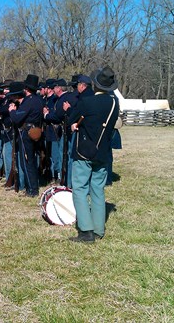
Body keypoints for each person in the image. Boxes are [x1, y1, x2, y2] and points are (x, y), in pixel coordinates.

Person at [67, 66, 120, 243]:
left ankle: (86, 231)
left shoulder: (87, 102)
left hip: (84, 151)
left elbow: (71, 119)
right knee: (98, 189)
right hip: (103, 153)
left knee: (80, 189)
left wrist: (75, 125)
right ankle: (98, 229)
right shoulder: (114, 103)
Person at [8, 74, 43, 196]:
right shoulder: (38, 100)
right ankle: (32, 187)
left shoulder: (29, 101)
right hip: (34, 131)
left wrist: (12, 111)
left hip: (27, 133)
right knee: (30, 161)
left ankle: (32, 190)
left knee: (27, 162)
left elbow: (17, 118)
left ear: (27, 89)